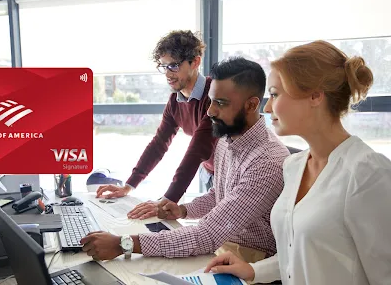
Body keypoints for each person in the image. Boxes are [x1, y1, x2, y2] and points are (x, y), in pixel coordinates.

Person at [203, 40, 391, 285]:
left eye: (274, 94)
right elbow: (297, 253)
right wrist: (253, 270)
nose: (267, 107)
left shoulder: (367, 173)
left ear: (315, 95)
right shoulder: (294, 166)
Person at [80, 57, 290, 262]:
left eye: (221, 103)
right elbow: (220, 194)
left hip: (252, 258)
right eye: (211, 100)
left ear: (251, 105)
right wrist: (183, 210)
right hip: (223, 244)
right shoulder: (228, 138)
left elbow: (207, 235)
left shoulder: (268, 162)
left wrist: (122, 244)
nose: (210, 111)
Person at [96, 30, 217, 219]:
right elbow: (158, 144)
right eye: (164, 66)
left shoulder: (214, 96)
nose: (168, 74)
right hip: (209, 172)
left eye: (174, 66)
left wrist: (168, 200)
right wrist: (129, 185)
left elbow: (197, 150)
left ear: (195, 62)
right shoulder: (175, 102)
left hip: (232, 171)